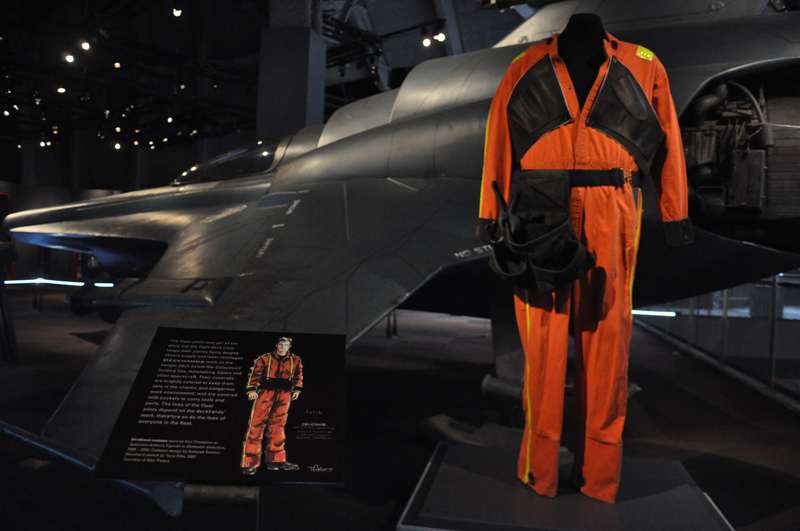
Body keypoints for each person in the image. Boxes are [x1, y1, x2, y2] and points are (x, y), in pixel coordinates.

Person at [478, 14, 693, 503]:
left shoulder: (643, 65)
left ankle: (599, 477)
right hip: (538, 212)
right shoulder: (525, 64)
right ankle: (541, 470)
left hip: (612, 210)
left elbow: (668, 140)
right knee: (543, 351)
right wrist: (491, 215)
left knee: (607, 345)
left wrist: (674, 211)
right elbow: (498, 138)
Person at [241, 337, 303, 474]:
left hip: (284, 393)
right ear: (276, 345)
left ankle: (276, 459)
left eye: (285, 345)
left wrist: (297, 389)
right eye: (280, 345)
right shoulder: (264, 358)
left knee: (278, 426)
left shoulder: (295, 360)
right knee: (256, 424)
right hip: (265, 393)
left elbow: (298, 375)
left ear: (289, 346)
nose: (282, 347)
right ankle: (249, 462)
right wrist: (251, 390)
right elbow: (255, 375)